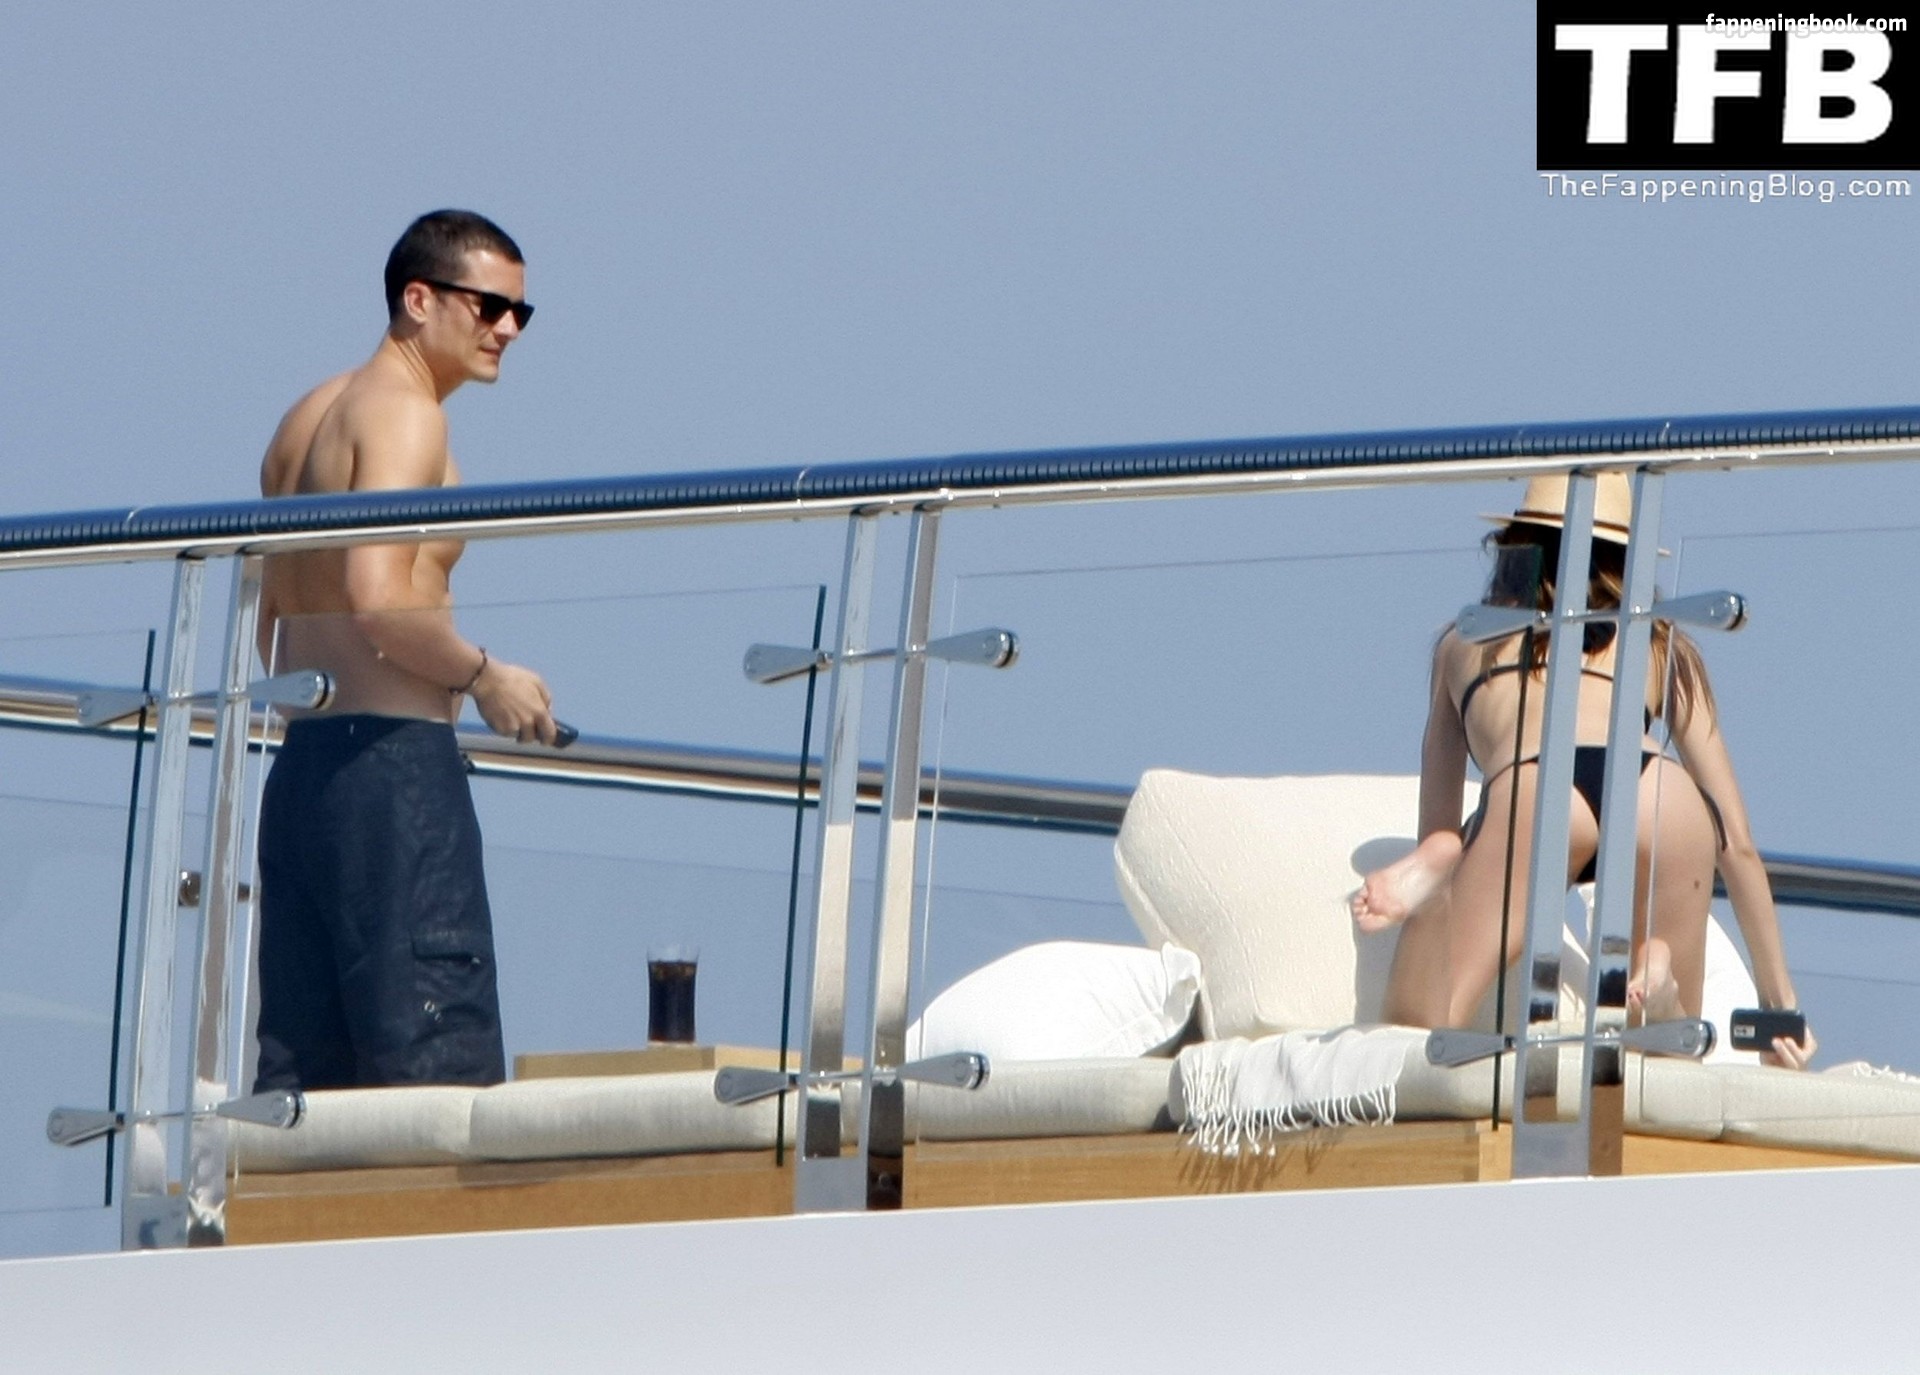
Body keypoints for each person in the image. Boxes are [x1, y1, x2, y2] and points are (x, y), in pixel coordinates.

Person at [1348, 473, 1815, 1070]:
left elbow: (1437, 820)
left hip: (1536, 781)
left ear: (1514, 547)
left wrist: (1444, 853)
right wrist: (1780, 1006)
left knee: (1417, 1029)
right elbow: (1738, 844)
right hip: (1658, 790)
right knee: (1665, 1062)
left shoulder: (1464, 643)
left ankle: (1432, 882)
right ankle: (1658, 985)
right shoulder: (1660, 642)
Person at [251, 210, 560, 1091]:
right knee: (434, 1084)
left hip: (305, 772)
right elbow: (379, 599)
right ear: (419, 300)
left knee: (308, 1089)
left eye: (521, 312)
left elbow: (273, 620)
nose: (508, 328)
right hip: (394, 774)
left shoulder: (306, 418)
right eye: (489, 306)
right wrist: (486, 677)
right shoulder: (406, 416)